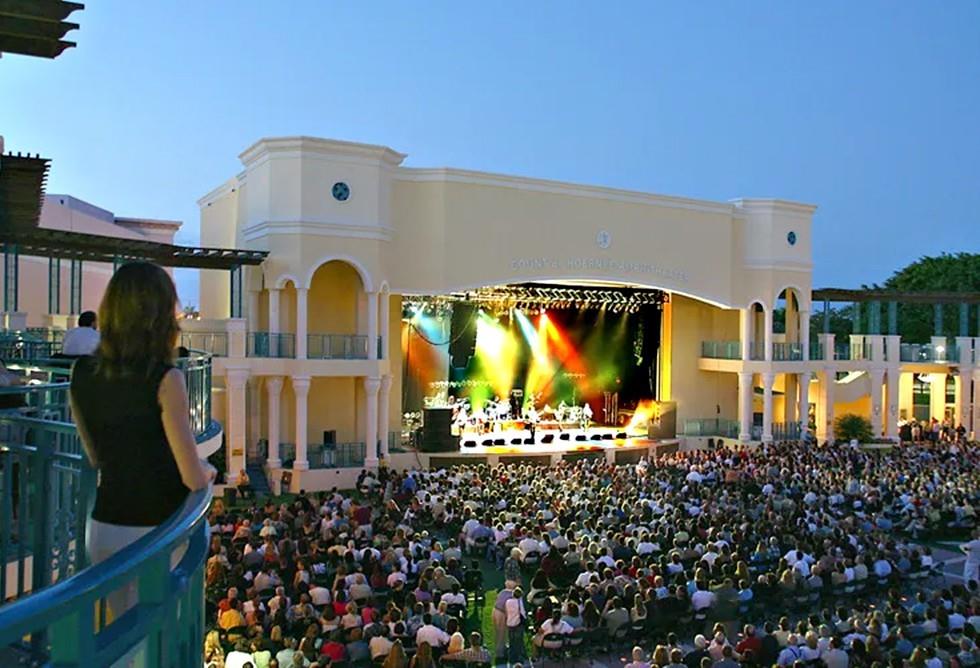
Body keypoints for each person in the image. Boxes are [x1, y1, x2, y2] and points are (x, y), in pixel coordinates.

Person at [69, 262, 215, 618]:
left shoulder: (81, 372)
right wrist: (206, 471)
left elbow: (95, 455)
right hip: (155, 529)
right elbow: (191, 477)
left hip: (104, 526)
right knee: (158, 633)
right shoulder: (166, 378)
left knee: (123, 633)